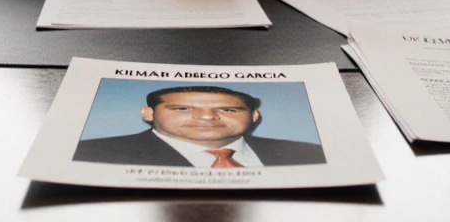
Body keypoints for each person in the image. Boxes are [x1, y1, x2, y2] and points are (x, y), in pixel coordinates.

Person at [72, 85, 325, 168]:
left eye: (228, 110)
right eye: (183, 108)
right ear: (148, 113)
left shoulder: (311, 154)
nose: (207, 117)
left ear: (254, 116)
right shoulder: (89, 154)